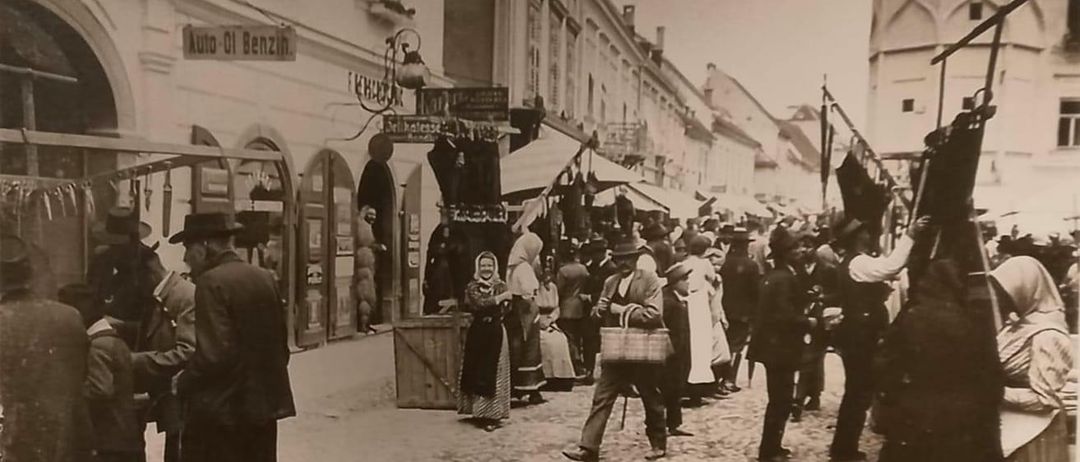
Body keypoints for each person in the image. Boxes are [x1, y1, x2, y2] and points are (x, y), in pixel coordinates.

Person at [169, 213, 296, 462]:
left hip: (223, 416)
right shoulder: (264, 277)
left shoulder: (210, 282)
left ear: (205, 245)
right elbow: (282, 348)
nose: (186, 259)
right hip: (262, 411)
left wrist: (182, 380)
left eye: (188, 249)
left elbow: (214, 356)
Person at [829, 216, 929, 462]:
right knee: (858, 394)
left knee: (855, 393)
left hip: (857, 333)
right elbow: (890, 267)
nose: (868, 235)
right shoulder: (859, 262)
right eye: (864, 233)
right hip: (861, 336)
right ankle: (843, 451)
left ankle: (843, 448)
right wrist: (911, 235)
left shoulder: (854, 262)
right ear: (856, 239)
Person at [563, 240, 669, 461]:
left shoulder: (649, 280)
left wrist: (621, 310)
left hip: (643, 349)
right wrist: (598, 311)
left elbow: (654, 315)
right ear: (614, 260)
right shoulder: (610, 282)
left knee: (650, 395)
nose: (624, 263)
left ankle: (658, 442)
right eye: (620, 259)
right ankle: (588, 447)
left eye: (629, 258)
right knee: (602, 396)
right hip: (616, 349)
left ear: (636, 259)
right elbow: (598, 314)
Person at [0, 235, 94, 462]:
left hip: (17, 447)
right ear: (30, 275)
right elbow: (81, 379)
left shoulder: (3, 320)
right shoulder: (69, 317)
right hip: (70, 445)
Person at [992, 257, 1074, 462]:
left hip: (1034, 432)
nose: (1000, 299)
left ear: (1026, 290)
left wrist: (994, 392)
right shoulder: (1020, 323)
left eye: (1005, 294)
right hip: (1014, 425)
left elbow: (1045, 400)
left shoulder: (1047, 334)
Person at [749, 227, 816, 462]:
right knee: (781, 401)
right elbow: (783, 316)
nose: (800, 251)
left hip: (773, 348)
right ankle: (769, 451)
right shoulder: (783, 279)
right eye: (795, 248)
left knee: (779, 400)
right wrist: (809, 321)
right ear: (785, 253)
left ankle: (772, 446)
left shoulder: (777, 276)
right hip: (779, 350)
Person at [60, 284, 142, 462]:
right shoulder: (112, 340)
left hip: (109, 442)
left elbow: (100, 389)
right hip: (123, 438)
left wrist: (66, 391)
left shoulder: (97, 345)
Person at [132, 251, 196, 462]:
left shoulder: (184, 295)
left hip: (183, 395)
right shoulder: (163, 293)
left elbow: (187, 351)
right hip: (170, 396)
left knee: (180, 451)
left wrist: (136, 360)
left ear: (149, 273)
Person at [458, 252, 513, 432]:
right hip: (478, 332)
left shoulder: (501, 284)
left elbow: (508, 307)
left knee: (495, 370)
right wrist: (500, 299)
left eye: (490, 265)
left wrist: (502, 303)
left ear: (495, 267)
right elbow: (478, 304)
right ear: (478, 267)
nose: (486, 269)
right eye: (483, 265)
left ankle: (493, 414)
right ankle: (478, 412)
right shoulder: (472, 286)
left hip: (496, 331)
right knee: (476, 368)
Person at [792, 235, 841, 422]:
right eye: (802, 246)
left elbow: (838, 294)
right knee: (810, 356)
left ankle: (798, 399)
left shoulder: (828, 270)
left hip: (821, 318)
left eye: (808, 246)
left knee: (812, 356)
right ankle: (814, 395)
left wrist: (821, 297)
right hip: (802, 316)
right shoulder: (797, 268)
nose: (804, 250)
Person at [505, 231, 547, 403]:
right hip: (526, 309)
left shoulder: (512, 267)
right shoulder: (524, 268)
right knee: (530, 348)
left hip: (515, 310)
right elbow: (528, 292)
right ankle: (531, 389)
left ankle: (519, 387)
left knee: (518, 349)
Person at [717, 227, 760, 394]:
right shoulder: (751, 265)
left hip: (725, 308)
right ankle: (729, 378)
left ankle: (720, 377)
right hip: (743, 312)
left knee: (725, 343)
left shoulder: (725, 263)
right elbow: (755, 291)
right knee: (737, 346)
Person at [682, 235, 718, 406]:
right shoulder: (704, 264)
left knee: (691, 346)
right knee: (702, 346)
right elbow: (713, 278)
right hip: (700, 306)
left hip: (688, 304)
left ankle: (688, 388)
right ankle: (698, 390)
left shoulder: (685, 262)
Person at [661, 262, 694, 438]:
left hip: (678, 351)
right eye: (685, 280)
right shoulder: (670, 302)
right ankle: (663, 425)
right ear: (676, 282)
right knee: (670, 387)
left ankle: (673, 424)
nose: (688, 283)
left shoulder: (675, 300)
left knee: (675, 388)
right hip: (671, 352)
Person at [582, 235, 617, 384]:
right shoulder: (591, 267)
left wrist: (590, 297)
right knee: (589, 341)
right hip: (590, 312)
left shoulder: (611, 269)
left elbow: (611, 292)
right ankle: (589, 371)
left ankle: (606, 372)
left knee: (604, 341)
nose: (593, 256)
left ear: (602, 253)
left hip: (605, 311)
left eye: (595, 253)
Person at [556, 246, 592, 381]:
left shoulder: (563, 271)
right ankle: (581, 364)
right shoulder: (583, 269)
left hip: (566, 306)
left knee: (569, 337)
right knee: (577, 337)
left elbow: (559, 289)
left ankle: (575, 365)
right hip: (580, 305)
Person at [538, 266, 577, 392]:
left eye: (549, 275)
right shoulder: (534, 288)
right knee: (546, 342)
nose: (547, 277)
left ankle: (562, 378)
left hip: (550, 320)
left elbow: (557, 308)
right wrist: (540, 321)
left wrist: (551, 319)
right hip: (537, 321)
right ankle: (547, 377)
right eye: (544, 274)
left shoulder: (553, 288)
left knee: (561, 339)